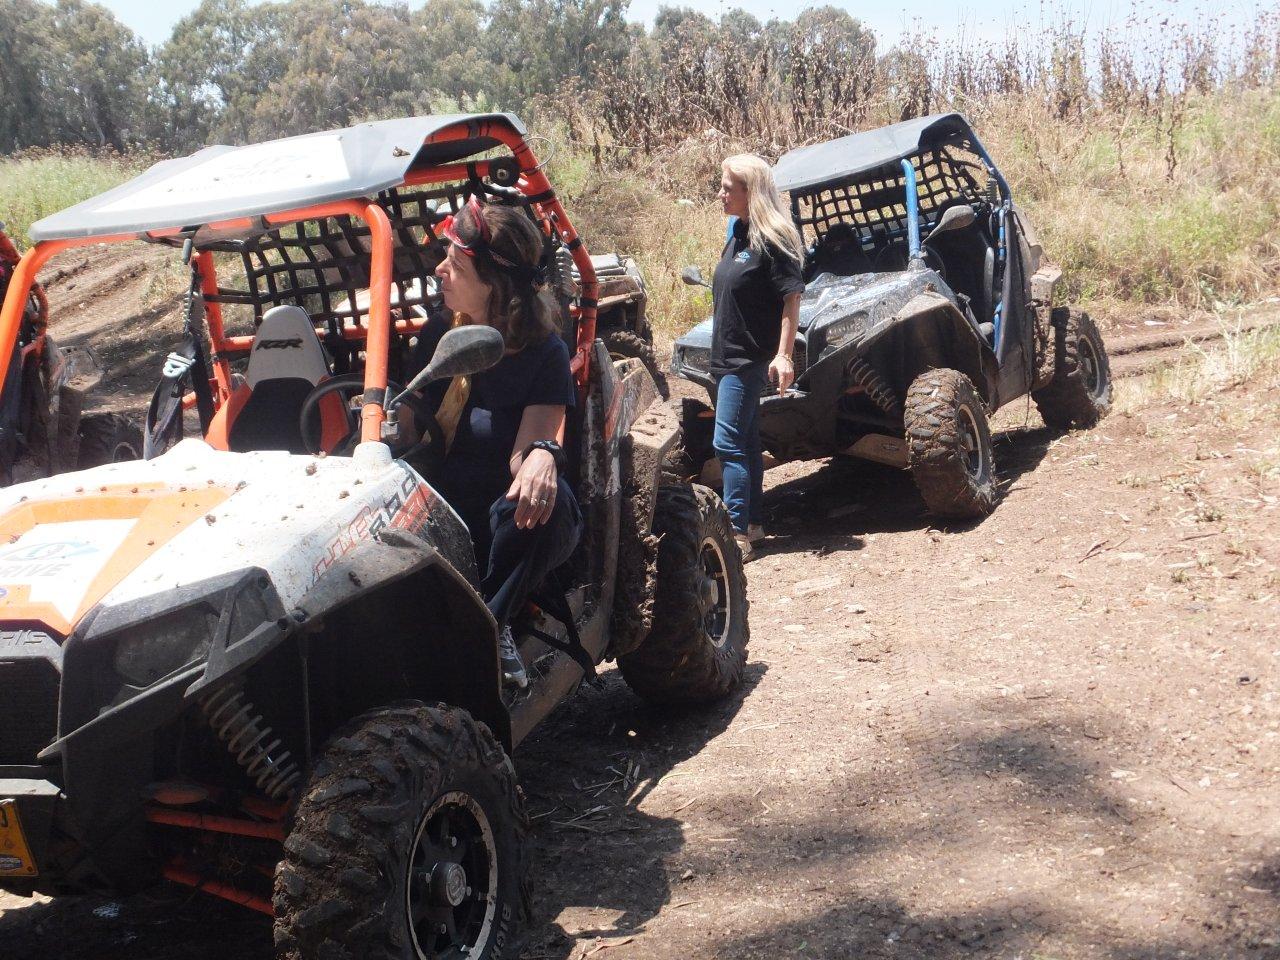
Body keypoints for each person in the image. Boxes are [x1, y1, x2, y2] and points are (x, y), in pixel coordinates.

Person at [406, 197, 582, 687]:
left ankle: (489, 624)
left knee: (545, 503)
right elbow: (407, 427)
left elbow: (527, 451)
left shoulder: (543, 353)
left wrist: (543, 457)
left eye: (455, 265)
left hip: (496, 516)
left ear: (494, 285)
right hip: (436, 505)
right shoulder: (438, 334)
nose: (439, 271)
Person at [710, 154, 805, 559]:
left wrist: (784, 355)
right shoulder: (738, 233)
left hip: (747, 361)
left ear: (751, 192)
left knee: (726, 443)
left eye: (727, 188)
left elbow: (791, 299)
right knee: (746, 443)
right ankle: (753, 524)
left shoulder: (774, 239)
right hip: (726, 357)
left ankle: (735, 535)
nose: (720, 194)